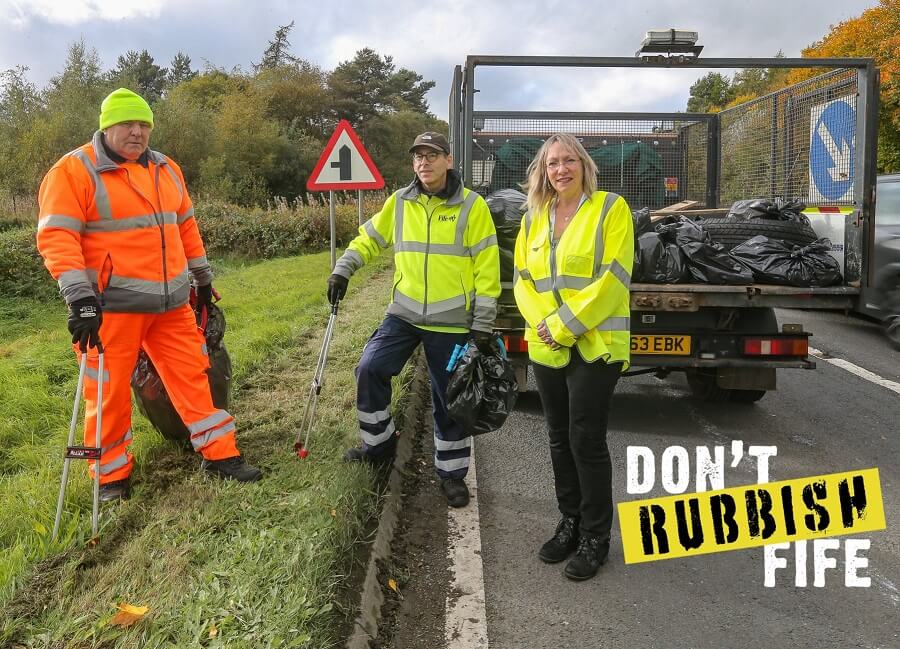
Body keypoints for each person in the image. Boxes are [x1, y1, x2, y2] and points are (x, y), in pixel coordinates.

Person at [37, 88, 262, 502]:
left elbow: (186, 226)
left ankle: (221, 454)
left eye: (144, 125)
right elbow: (57, 237)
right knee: (106, 394)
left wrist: (202, 277)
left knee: (196, 379)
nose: (138, 133)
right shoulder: (73, 171)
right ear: (107, 127)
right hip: (110, 310)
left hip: (172, 305)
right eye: (128, 124)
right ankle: (110, 478)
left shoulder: (166, 168)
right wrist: (79, 297)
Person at [328, 131, 500, 507]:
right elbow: (369, 239)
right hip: (403, 314)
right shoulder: (400, 202)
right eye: (418, 156)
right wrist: (343, 269)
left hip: (452, 320)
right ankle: (378, 446)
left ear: (448, 160)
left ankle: (452, 475)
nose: (424, 162)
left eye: (432, 155)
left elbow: (488, 267)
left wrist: (483, 322)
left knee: (449, 397)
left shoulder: (473, 207)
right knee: (369, 368)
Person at [513, 133, 633, 581]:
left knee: (586, 439)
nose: (560, 169)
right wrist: (547, 328)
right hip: (547, 345)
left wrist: (563, 326)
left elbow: (614, 278)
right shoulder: (534, 218)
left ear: (583, 165)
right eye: (551, 163)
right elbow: (523, 280)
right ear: (542, 172)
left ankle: (596, 537)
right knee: (558, 437)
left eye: (568, 161)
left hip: (595, 345)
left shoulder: (609, 209)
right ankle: (570, 522)